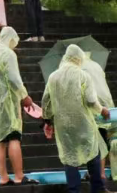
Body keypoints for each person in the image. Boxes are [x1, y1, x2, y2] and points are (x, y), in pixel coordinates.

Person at [43, 45, 111, 193]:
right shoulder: (83, 75)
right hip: (83, 123)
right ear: (78, 58)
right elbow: (91, 100)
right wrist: (102, 110)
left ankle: (74, 190)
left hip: (63, 126)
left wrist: (47, 121)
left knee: (69, 157)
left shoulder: (53, 77)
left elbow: (46, 101)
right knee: (93, 152)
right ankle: (98, 188)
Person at [0, 27, 37, 186]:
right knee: (13, 137)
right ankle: (19, 176)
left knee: (0, 140)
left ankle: (4, 177)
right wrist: (24, 96)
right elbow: (14, 78)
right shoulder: (8, 54)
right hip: (6, 102)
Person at [82, 52, 114, 182]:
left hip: (94, 105)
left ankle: (97, 173)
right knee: (103, 137)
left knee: (95, 140)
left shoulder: (79, 68)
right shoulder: (96, 65)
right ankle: (101, 172)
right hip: (107, 103)